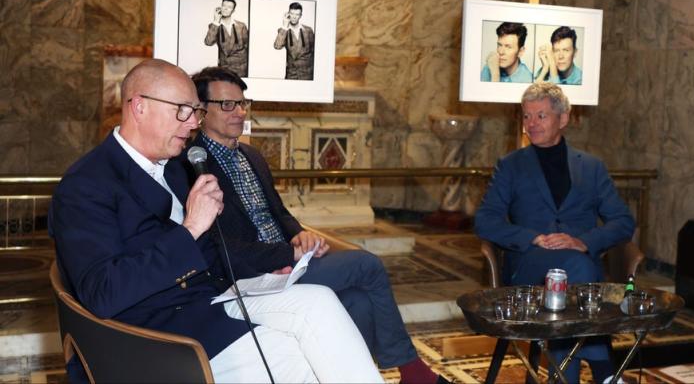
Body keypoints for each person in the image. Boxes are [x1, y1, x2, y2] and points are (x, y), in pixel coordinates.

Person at [49, 59, 383, 383]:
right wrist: (191, 227)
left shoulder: (177, 168)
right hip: (154, 337)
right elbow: (103, 294)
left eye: (195, 111)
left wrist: (262, 278)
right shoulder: (87, 184)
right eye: (182, 110)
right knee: (295, 357)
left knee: (320, 300)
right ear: (139, 107)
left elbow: (209, 254)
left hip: (209, 302)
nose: (193, 123)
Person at [181, 66, 446, 384]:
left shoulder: (252, 156)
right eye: (227, 104)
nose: (238, 112)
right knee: (367, 265)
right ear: (201, 110)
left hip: (287, 260)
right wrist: (285, 255)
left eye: (242, 103)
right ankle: (413, 371)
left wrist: (300, 234)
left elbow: (279, 213)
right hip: (251, 276)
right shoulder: (193, 166)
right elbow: (222, 246)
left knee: (357, 301)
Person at [474, 82, 635, 384]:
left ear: (563, 119)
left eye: (541, 116)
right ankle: (606, 373)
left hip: (578, 271)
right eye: (526, 116)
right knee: (578, 272)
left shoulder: (591, 166)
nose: (531, 124)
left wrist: (583, 241)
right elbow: (485, 221)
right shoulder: (510, 166)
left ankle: (565, 379)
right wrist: (531, 237)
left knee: (574, 270)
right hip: (529, 267)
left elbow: (623, 221)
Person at [204, 0, 250, 77]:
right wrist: (216, 21)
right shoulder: (214, 26)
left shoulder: (241, 26)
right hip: (224, 69)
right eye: (224, 6)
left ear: (233, 10)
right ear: (220, 7)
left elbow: (247, 46)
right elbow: (208, 42)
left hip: (241, 68)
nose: (225, 9)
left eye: (229, 7)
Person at [273, 2, 316, 80]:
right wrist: (285, 26)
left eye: (297, 14)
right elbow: (277, 46)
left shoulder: (308, 30)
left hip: (307, 73)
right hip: (292, 73)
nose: (294, 17)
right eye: (292, 14)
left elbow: (314, 52)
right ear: (288, 14)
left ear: (300, 16)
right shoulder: (283, 30)